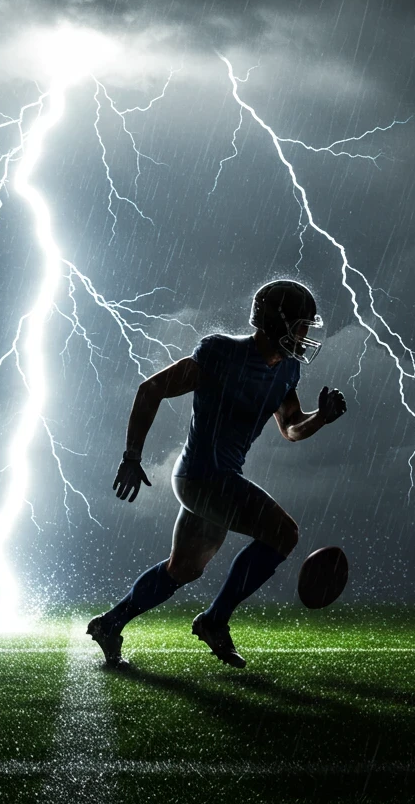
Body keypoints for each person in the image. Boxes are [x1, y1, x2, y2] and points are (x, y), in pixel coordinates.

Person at [87, 279, 347, 668]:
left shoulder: (287, 370)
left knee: (183, 569)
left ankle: (111, 623)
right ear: (276, 323)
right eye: (300, 326)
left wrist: (321, 419)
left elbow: (291, 427)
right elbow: (151, 388)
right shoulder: (221, 352)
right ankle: (214, 621)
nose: (306, 336)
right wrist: (132, 456)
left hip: (212, 483)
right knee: (284, 533)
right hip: (204, 477)